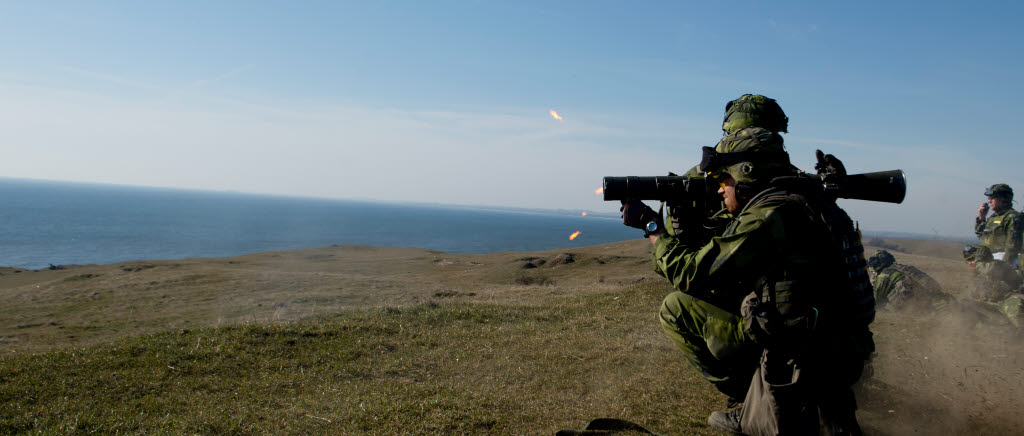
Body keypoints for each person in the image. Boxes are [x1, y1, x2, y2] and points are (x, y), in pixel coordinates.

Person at [621, 127, 874, 435]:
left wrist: (653, 228)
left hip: (804, 359)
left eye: (723, 181)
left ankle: (753, 406)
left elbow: (693, 273)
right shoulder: (817, 203)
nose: (719, 190)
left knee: (676, 308)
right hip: (845, 352)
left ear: (745, 174)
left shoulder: (771, 215)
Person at [967, 184, 1023, 302]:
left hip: (1001, 264)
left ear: (1004, 199)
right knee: (979, 296)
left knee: (996, 298)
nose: (989, 200)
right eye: (989, 198)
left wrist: (1004, 269)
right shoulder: (993, 217)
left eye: (993, 197)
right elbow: (980, 234)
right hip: (988, 264)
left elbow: (1013, 246)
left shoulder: (1012, 217)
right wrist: (982, 217)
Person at [867, 250, 952, 312]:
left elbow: (875, 302)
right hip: (942, 302)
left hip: (924, 310)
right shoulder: (906, 268)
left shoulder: (884, 275)